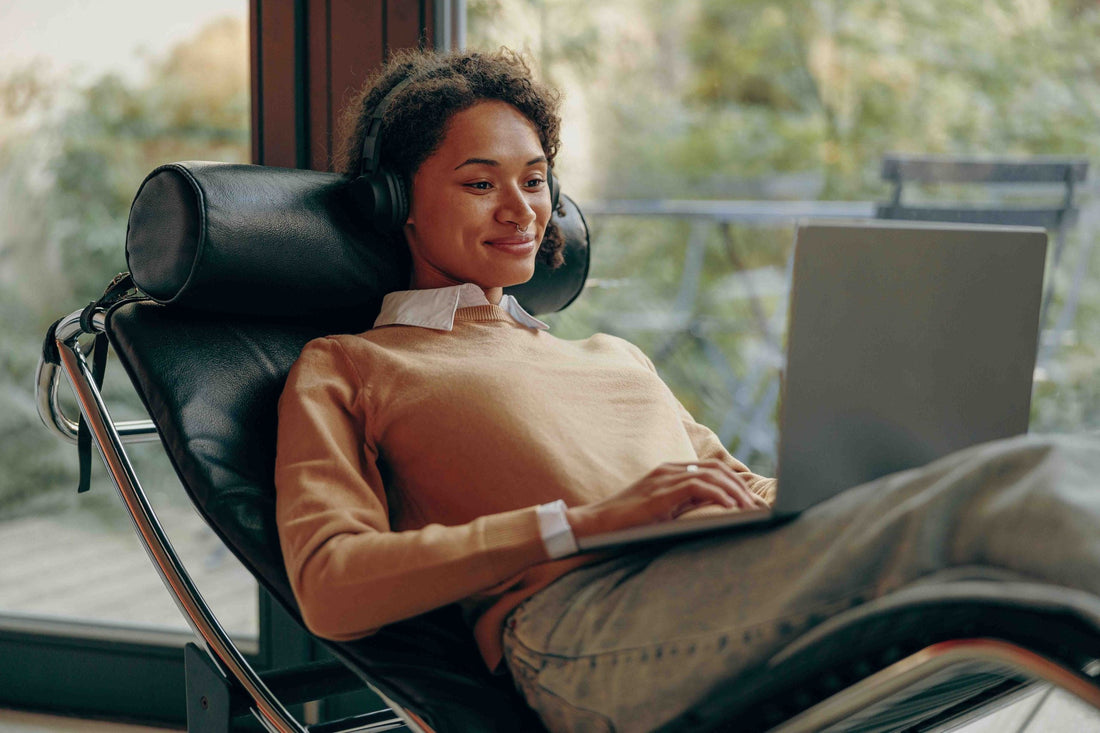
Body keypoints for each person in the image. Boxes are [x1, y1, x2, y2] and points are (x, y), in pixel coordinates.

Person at [274, 48, 1100, 732]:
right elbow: (332, 584)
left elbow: (744, 489)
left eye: (535, 181)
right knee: (1016, 486)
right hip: (589, 632)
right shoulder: (354, 364)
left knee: (1017, 470)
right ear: (397, 204)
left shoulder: (613, 357)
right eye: (481, 182)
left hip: (730, 582)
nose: (522, 210)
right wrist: (584, 524)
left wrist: (861, 481)